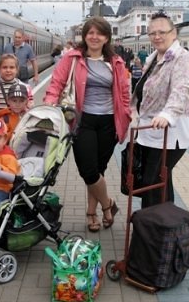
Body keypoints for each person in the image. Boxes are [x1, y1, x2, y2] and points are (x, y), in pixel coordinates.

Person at [44, 16, 131, 232]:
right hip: (82, 120)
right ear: (84, 36)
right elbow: (57, 84)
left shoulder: (116, 62)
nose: (94, 37)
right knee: (88, 170)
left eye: (99, 33)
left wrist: (126, 114)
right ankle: (108, 204)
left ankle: (92, 214)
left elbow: (124, 92)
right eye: (90, 32)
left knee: (98, 170)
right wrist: (48, 105)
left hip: (109, 122)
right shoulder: (72, 58)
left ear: (107, 37)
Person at [131, 11, 189, 208]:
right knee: (160, 182)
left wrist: (167, 114)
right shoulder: (153, 58)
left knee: (153, 182)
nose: (157, 37)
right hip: (149, 131)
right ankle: (159, 228)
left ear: (174, 33)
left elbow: (182, 89)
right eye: (152, 33)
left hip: (170, 133)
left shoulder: (181, 58)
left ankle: (155, 228)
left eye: (162, 32)